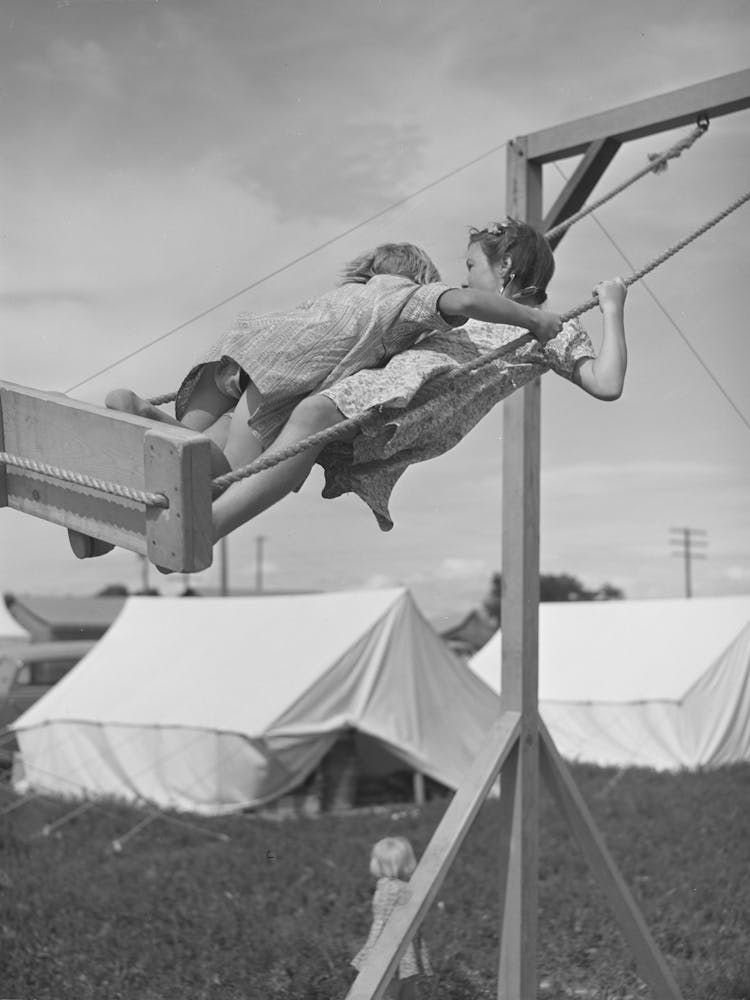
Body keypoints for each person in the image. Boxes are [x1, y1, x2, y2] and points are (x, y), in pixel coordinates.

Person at [69, 237, 561, 559]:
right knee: (224, 475)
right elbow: (467, 301)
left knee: (182, 449)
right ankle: (126, 509)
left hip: (237, 350)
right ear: (423, 279)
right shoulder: (408, 299)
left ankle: (132, 442)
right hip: (281, 375)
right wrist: (536, 320)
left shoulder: (347, 295)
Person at [207, 218, 628, 539]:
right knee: (263, 422)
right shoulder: (476, 307)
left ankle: (213, 523)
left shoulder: (550, 328)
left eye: (471, 265)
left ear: (505, 265)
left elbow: (606, 384)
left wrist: (611, 309)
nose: (464, 276)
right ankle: (200, 497)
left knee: (311, 414)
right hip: (385, 386)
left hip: (419, 402)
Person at [351, 836, 432, 999]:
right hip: (404, 950)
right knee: (404, 993)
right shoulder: (404, 888)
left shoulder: (386, 887)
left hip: (389, 948)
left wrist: (372, 952)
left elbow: (381, 922)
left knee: (385, 992)